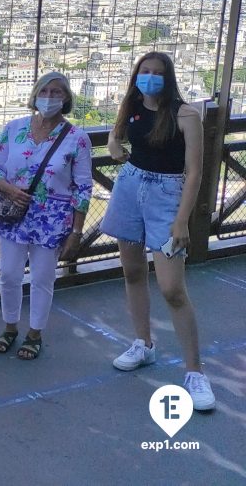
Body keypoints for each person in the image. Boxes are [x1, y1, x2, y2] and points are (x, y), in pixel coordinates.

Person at [101, 52, 216, 411]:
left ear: (169, 78)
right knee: (132, 272)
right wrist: (113, 142)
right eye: (144, 72)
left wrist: (183, 219)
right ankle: (143, 343)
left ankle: (195, 372)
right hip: (129, 187)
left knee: (172, 289)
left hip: (168, 195)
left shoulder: (186, 115)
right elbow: (118, 135)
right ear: (137, 76)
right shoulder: (131, 104)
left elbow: (194, 171)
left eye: (158, 73)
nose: (150, 78)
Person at [0, 72, 92, 360]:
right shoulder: (13, 128)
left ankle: (34, 334)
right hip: (14, 213)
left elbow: (83, 188)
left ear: (67, 98)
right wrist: (8, 189)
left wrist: (77, 232)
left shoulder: (77, 139)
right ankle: (10, 327)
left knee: (43, 278)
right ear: (34, 95)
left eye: (58, 92)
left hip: (53, 220)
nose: (50, 97)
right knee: (8, 275)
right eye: (45, 91)